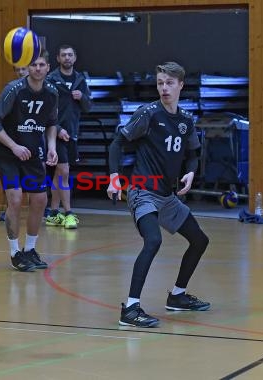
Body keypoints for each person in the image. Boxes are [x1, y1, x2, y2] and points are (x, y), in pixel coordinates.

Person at [107, 62, 210, 328]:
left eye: (169, 83)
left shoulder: (186, 120)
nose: (164, 88)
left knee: (199, 240)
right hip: (142, 191)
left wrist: (190, 172)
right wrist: (115, 178)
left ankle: (177, 295)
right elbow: (117, 143)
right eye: (160, 83)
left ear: (180, 85)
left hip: (166, 196)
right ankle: (130, 309)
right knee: (153, 240)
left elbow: (193, 154)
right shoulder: (148, 114)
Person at [0, 50, 58, 272]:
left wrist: (52, 147)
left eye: (41, 65)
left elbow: (52, 122)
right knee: (15, 199)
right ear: (27, 67)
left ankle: (30, 250)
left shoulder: (52, 92)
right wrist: (14, 147)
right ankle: (15, 252)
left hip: (32, 152)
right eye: (33, 65)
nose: (37, 68)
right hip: (8, 150)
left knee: (39, 200)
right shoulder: (14, 90)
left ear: (48, 68)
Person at [45, 45, 92, 229]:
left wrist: (82, 98)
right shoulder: (51, 80)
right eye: (63, 55)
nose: (67, 58)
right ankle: (69, 213)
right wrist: (56, 128)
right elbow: (45, 110)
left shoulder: (80, 80)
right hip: (54, 133)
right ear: (58, 58)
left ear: (75, 57)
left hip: (71, 134)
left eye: (70, 55)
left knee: (59, 173)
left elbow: (89, 107)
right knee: (64, 172)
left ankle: (53, 213)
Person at [0, 65, 29, 222]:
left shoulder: (46, 91)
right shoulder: (11, 89)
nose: (21, 72)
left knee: (38, 194)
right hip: (11, 146)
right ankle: (8, 209)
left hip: (32, 144)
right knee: (14, 194)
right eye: (18, 70)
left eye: (24, 69)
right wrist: (12, 145)